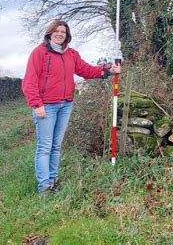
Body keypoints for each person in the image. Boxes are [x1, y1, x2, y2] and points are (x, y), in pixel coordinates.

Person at [22, 20, 120, 194]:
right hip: (46, 106)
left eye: (63, 32)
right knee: (45, 146)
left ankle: (53, 181)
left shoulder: (71, 54)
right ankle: (44, 187)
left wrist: (108, 70)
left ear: (67, 35)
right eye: (56, 31)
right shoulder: (39, 53)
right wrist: (37, 104)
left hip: (65, 104)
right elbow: (29, 81)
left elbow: (87, 70)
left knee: (56, 145)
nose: (60, 34)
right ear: (49, 33)